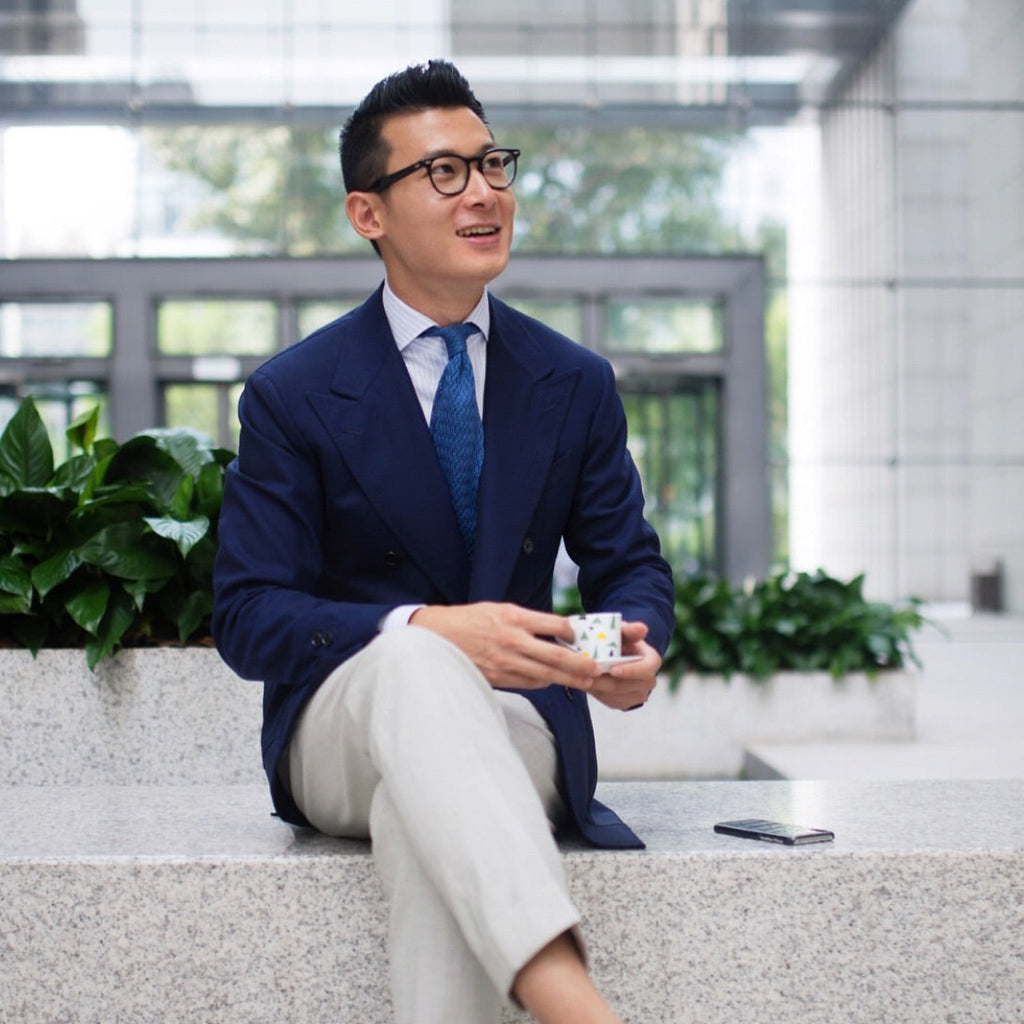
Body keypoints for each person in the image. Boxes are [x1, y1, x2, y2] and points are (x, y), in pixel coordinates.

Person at [212, 59, 674, 1024]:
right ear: (367, 214)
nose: (484, 193)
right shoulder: (294, 393)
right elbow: (249, 617)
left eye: (492, 164)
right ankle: (574, 1001)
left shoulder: (572, 379)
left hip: (518, 726)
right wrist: (426, 627)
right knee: (417, 663)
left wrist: (634, 645)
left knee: (419, 822)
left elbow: (626, 561)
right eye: (444, 173)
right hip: (342, 733)